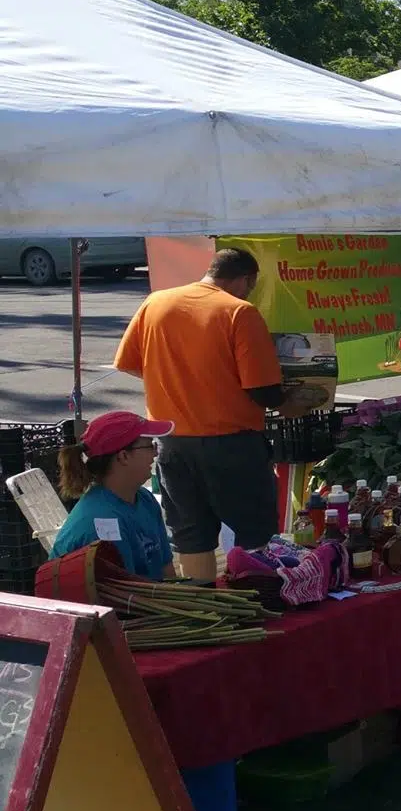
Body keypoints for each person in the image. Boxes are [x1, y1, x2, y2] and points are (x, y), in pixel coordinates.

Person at [115, 247, 286, 579]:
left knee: (190, 536)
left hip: (172, 444)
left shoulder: (156, 303)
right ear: (246, 280)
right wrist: (291, 398)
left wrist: (180, 386)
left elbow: (131, 364)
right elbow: (263, 392)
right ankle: (256, 603)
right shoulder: (240, 312)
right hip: (232, 445)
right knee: (255, 534)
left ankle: (206, 608)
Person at [51, 411, 176, 580]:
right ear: (123, 456)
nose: (155, 453)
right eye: (149, 446)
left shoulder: (144, 498)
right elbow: (124, 597)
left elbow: (166, 570)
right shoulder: (102, 523)